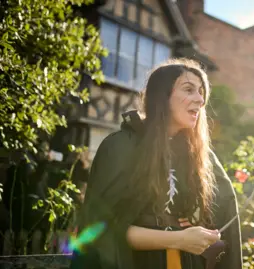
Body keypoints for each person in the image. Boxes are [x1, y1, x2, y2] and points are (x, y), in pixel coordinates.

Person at [69, 58, 242, 269]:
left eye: (201, 93)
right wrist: (177, 239)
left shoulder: (202, 157)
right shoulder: (121, 147)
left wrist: (200, 227)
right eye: (189, 90)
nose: (200, 100)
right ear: (162, 96)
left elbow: (224, 215)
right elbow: (100, 230)